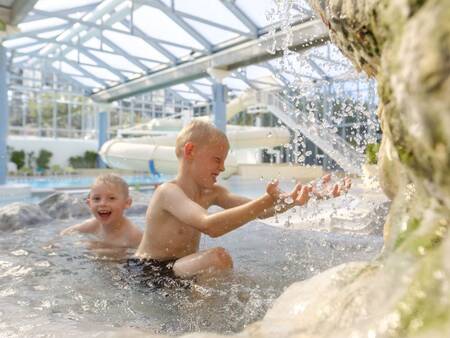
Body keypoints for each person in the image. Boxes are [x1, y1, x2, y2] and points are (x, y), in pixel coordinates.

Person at [133, 120, 349, 283]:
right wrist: (266, 199)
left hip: (179, 268)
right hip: (149, 272)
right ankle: (201, 328)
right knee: (217, 258)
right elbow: (209, 225)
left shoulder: (213, 192)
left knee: (240, 279)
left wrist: (299, 199)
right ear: (190, 151)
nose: (223, 168)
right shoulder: (168, 192)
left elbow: (260, 211)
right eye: (217, 159)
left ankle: (201, 324)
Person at [61, 173, 143, 258]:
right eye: (97, 199)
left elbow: (145, 256)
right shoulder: (94, 224)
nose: (102, 203)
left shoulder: (133, 235)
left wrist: (97, 249)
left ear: (127, 203)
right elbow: (65, 233)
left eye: (111, 198)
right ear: (89, 203)